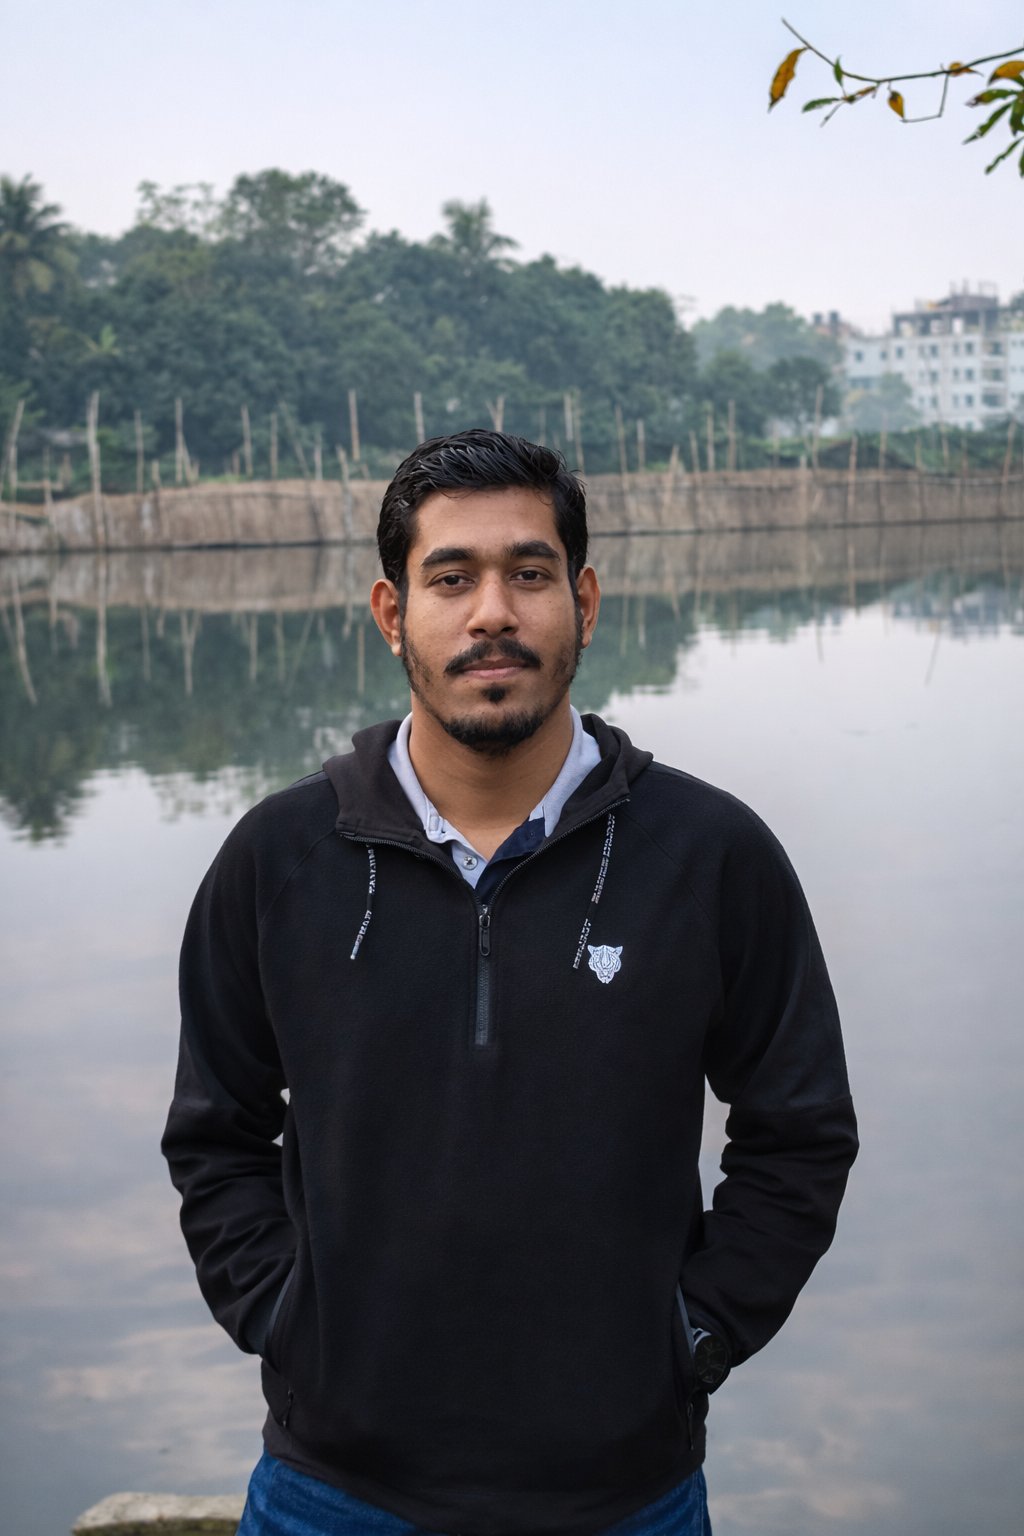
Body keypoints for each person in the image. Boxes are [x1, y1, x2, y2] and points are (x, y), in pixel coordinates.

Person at [162, 428, 857, 1536]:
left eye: (529, 574)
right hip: (332, 1491)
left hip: (626, 1495)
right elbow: (216, 1134)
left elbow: (800, 1133)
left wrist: (696, 1332)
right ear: (393, 613)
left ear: (583, 601)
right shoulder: (278, 859)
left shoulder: (710, 855)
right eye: (451, 578)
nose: (493, 612)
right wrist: (288, 1319)